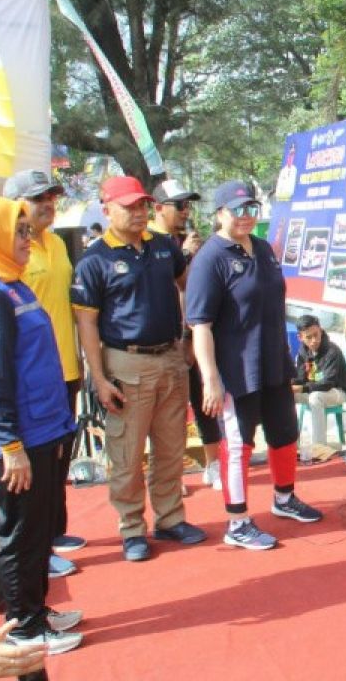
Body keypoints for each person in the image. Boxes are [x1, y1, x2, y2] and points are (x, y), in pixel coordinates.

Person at [71, 177, 206, 562]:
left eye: (142, 205)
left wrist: (189, 335)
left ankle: (169, 518)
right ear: (107, 210)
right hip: (125, 362)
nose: (138, 213)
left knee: (171, 448)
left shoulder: (164, 246)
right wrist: (97, 378)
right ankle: (132, 528)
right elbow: (87, 324)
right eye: (128, 206)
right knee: (127, 453)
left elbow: (188, 285)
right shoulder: (94, 259)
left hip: (170, 358)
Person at [186, 181, 323, 550]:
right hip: (236, 368)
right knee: (238, 444)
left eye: (251, 209)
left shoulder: (263, 249)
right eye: (237, 210)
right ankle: (237, 521)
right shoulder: (210, 259)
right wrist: (210, 378)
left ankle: (284, 498)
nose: (245, 217)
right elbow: (200, 325)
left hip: (274, 361)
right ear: (220, 213)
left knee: (284, 433)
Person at [0, 195, 82, 655]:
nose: (28, 239)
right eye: (19, 231)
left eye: (28, 230)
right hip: (18, 441)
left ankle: (37, 609)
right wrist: (9, 444)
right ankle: (23, 625)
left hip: (45, 431)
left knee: (41, 531)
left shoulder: (15, 284)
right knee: (20, 535)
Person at [3, 170, 86, 576]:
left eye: (52, 197)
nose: (48, 205)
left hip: (63, 369)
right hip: (25, 379)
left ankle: (53, 532)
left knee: (58, 462)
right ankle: (36, 549)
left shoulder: (55, 243)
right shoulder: (8, 252)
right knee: (29, 473)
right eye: (39, 199)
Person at [150, 179, 222, 491]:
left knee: (205, 399)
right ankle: (171, 473)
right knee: (168, 413)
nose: (185, 211)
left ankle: (214, 464)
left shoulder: (184, 243)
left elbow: (195, 292)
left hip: (193, 335)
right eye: (179, 205)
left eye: (188, 205)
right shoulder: (149, 244)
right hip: (161, 341)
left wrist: (191, 336)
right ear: (158, 208)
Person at [292, 314, 346, 464]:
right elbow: (300, 378)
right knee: (286, 396)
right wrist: (289, 384)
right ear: (300, 337)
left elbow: (328, 383)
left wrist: (301, 388)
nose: (314, 340)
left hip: (337, 392)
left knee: (315, 397)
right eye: (309, 337)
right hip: (313, 390)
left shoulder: (332, 351)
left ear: (321, 330)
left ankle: (319, 449)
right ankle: (292, 445)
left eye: (316, 335)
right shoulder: (302, 352)